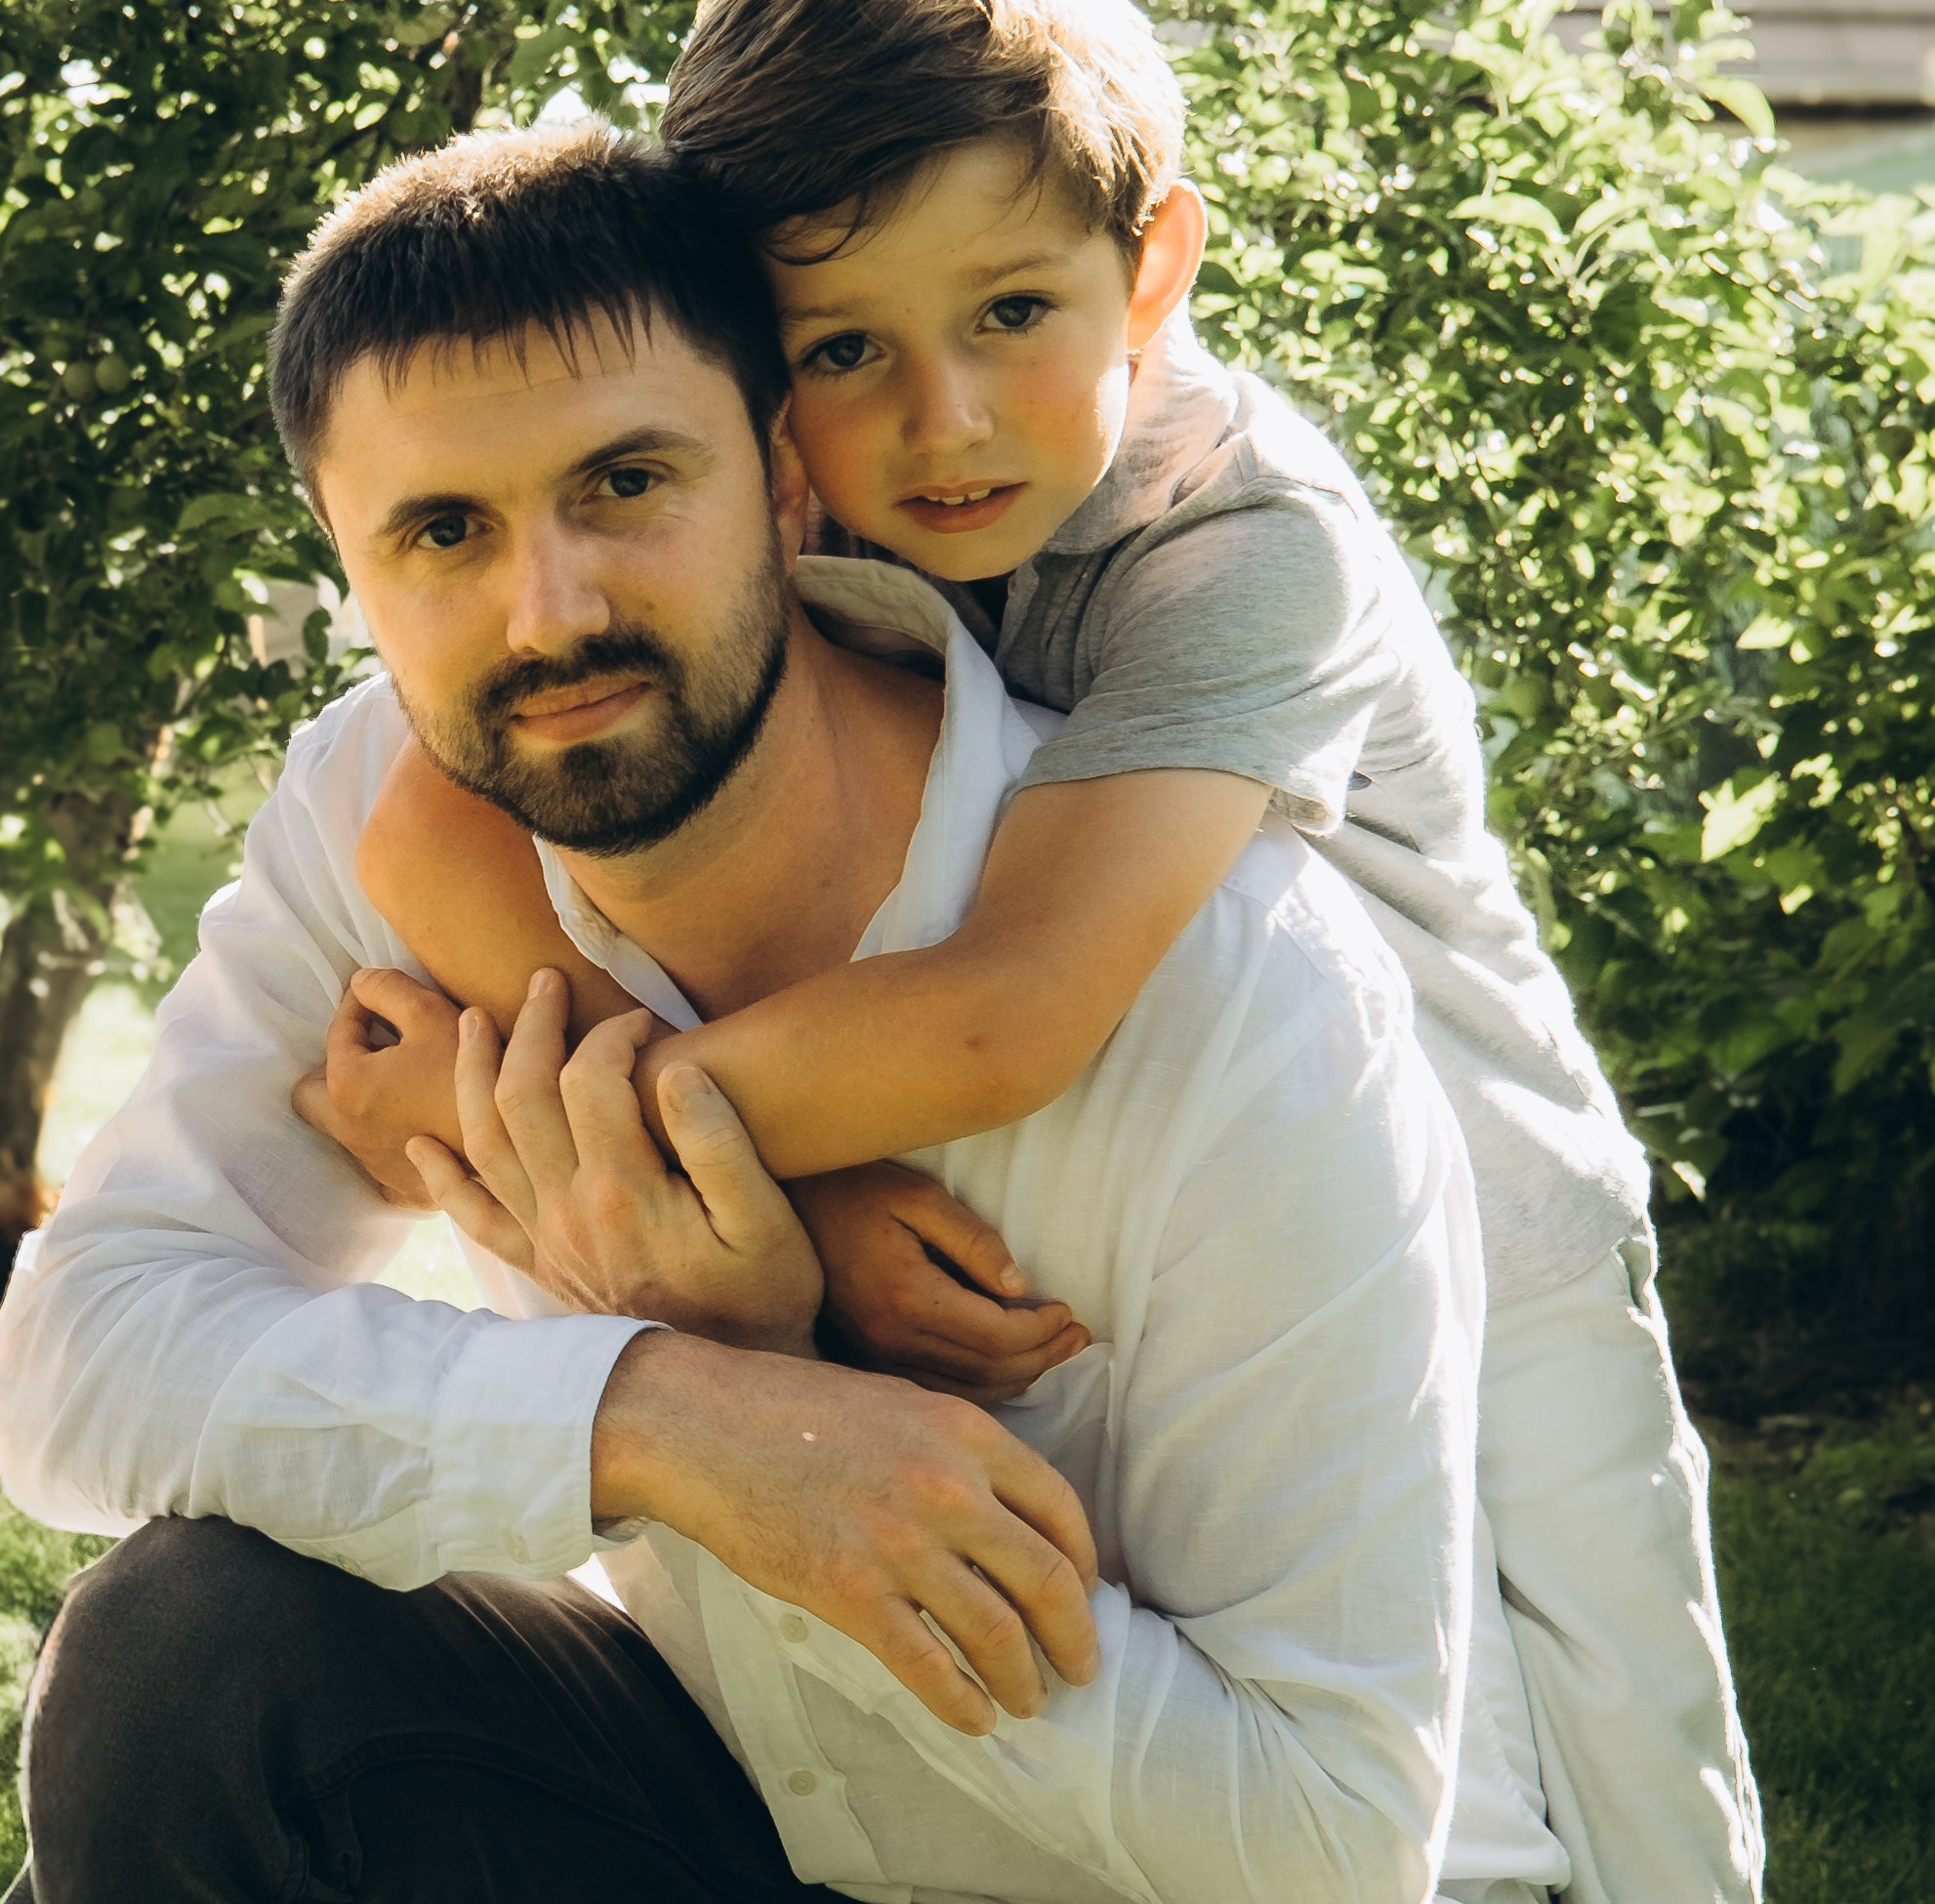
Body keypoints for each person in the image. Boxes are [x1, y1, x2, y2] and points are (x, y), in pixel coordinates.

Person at [338, 0, 1761, 1904]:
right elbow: (420, 826)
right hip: (1091, 1144)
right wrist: (798, 1197)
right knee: (1171, 1634)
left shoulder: (1241, 544)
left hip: (1468, 1179)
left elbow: (1013, 1004)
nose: (946, 418)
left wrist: (539, 1104)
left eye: (1014, 309)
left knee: (1620, 1755)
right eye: (846, 345)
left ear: (1152, 262)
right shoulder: (756, 508)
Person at [0, 124, 1560, 1904]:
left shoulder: (1234, 989)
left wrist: (834, 1472)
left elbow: (1325, 1841)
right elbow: (81, 1350)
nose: (551, 609)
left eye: (626, 483)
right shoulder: (384, 804)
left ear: (786, 478)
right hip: (740, 1801)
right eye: (444, 530)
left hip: (1181, 1873)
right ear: (356, 577)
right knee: (191, 1661)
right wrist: (674, 1419)